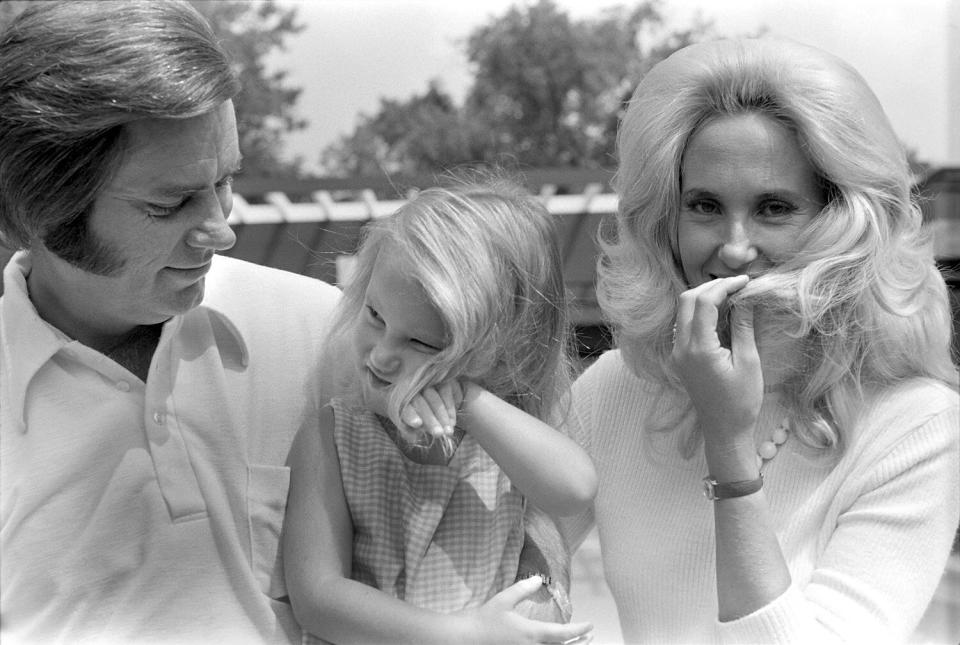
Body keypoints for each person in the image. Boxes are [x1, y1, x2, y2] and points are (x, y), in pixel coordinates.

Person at [561, 37, 960, 643]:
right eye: (704, 206)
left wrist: (730, 446)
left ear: (842, 222)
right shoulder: (616, 386)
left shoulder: (919, 426)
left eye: (774, 208)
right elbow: (521, 544)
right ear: (665, 220)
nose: (735, 246)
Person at [0, 2, 344, 642]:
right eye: (171, 203)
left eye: (226, 181)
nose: (222, 229)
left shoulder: (330, 335)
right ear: (41, 213)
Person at [282, 177, 598, 645]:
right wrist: (464, 633)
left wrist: (469, 402)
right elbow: (318, 596)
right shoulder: (334, 433)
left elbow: (575, 490)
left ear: (499, 349)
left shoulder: (500, 436)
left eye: (421, 342)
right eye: (374, 315)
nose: (383, 355)